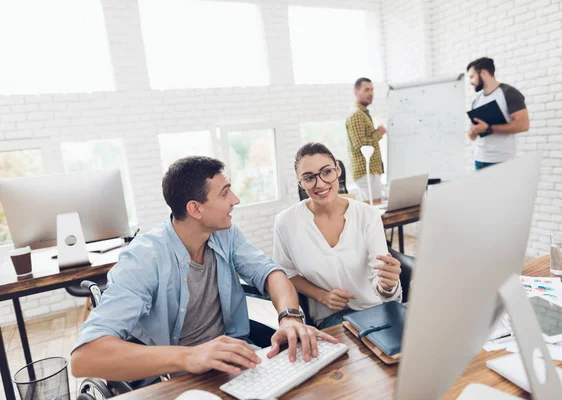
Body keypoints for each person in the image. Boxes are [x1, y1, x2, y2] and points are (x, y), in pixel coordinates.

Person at [71, 156, 336, 385]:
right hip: (172, 376)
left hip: (234, 362)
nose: (236, 199)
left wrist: (290, 317)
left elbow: (270, 273)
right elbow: (84, 358)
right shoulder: (144, 259)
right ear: (195, 209)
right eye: (225, 193)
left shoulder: (225, 234)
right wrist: (191, 356)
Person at [272, 142, 402, 329]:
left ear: (338, 170)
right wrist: (322, 296)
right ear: (300, 182)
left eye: (326, 172)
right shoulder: (285, 222)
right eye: (309, 178)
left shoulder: (368, 215)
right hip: (330, 318)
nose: (321, 184)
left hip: (374, 310)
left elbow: (382, 285)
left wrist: (388, 285)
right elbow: (286, 274)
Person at [467, 57, 530, 170]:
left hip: (502, 161)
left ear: (483, 73)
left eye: (472, 77)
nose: (471, 82)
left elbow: (523, 125)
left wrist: (488, 128)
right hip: (479, 159)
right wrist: (473, 130)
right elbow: (472, 137)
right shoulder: (477, 101)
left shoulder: (509, 93)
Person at [346, 77, 387, 200]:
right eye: (366, 90)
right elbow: (360, 144)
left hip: (371, 171)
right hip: (366, 172)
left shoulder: (362, 113)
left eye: (372, 90)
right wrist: (378, 133)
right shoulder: (357, 114)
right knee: (375, 209)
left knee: (376, 206)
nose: (371, 93)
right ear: (356, 92)